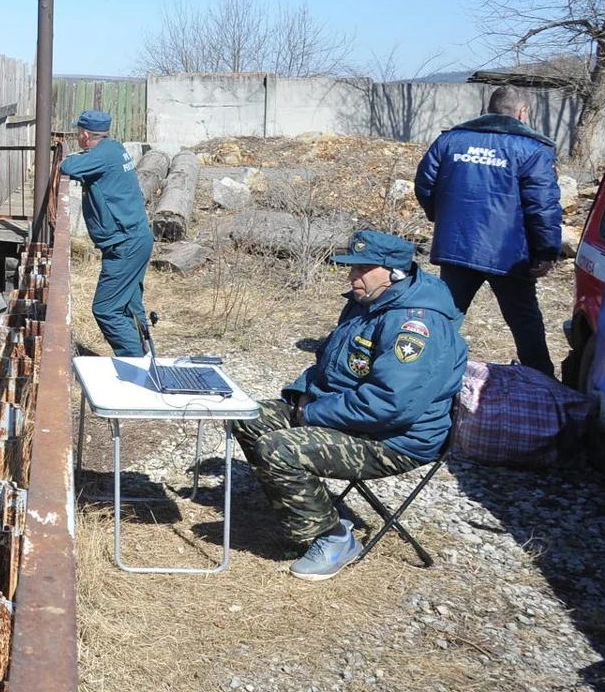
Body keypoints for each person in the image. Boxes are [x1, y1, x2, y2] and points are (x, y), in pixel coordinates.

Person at [233, 230, 467, 581]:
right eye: (351, 267)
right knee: (247, 416)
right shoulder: (367, 302)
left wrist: (310, 413)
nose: (352, 276)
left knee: (278, 450)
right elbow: (330, 366)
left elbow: (389, 404)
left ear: (395, 272)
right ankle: (303, 506)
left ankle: (335, 538)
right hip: (352, 418)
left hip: (394, 440)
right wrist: (301, 396)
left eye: (363, 269)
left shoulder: (415, 325)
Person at [414, 85, 563, 376]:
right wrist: (546, 251)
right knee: (524, 321)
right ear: (523, 113)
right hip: (508, 254)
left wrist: (442, 218)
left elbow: (424, 185)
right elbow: (543, 206)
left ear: (487, 109)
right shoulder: (533, 150)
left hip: (456, 247)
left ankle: (422, 375)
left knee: (445, 316)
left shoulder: (450, 141)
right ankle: (544, 383)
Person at [58, 109, 151, 356]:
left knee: (106, 309)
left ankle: (136, 366)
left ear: (85, 135)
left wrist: (69, 159)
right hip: (137, 238)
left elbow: (67, 166)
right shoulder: (114, 148)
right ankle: (148, 357)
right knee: (131, 306)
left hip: (125, 244)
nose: (77, 138)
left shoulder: (101, 156)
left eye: (78, 134)